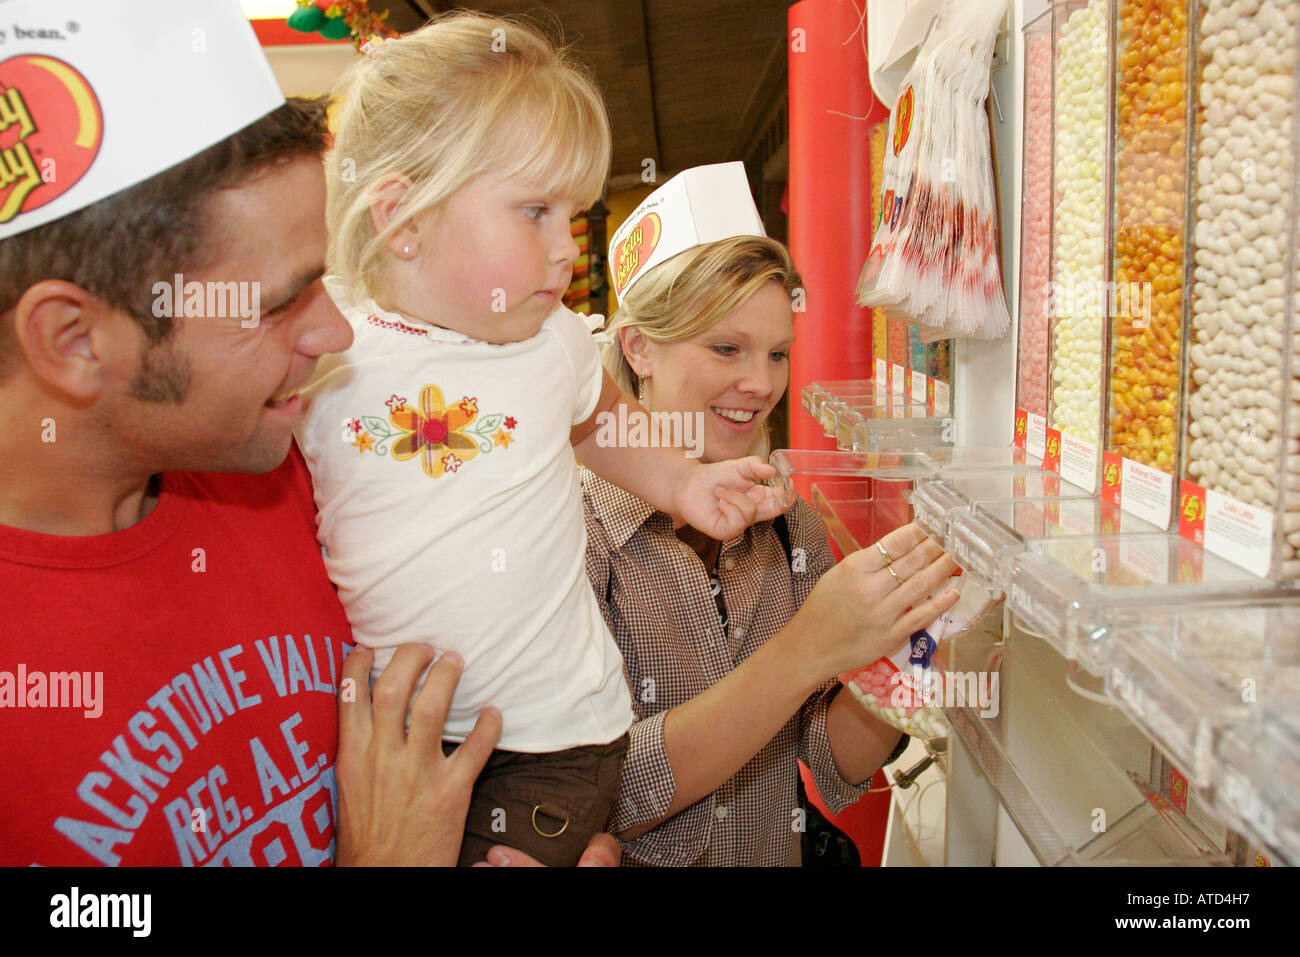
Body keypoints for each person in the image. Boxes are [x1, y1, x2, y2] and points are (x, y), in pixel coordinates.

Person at [0, 0, 555, 867]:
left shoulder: (296, 468)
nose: (335, 333)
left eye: (326, 282)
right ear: (73, 340)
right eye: (277, 302)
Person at [297, 12, 783, 866]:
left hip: (551, 744)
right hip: (400, 745)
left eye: (574, 214)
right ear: (402, 215)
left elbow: (598, 419)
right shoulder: (329, 353)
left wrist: (681, 483)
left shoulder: (549, 339)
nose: (566, 248)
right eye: (536, 211)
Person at [578, 193, 960, 865]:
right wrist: (809, 646)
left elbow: (831, 759)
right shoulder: (573, 531)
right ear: (639, 347)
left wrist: (910, 642)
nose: (759, 383)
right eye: (727, 348)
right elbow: (601, 793)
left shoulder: (788, 526)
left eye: (778, 353)